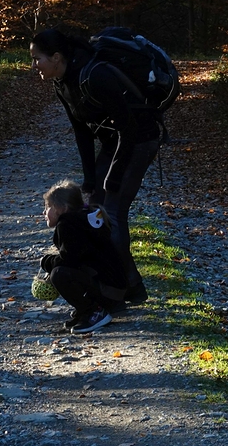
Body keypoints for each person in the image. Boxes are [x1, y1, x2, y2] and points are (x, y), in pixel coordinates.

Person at [30, 28, 160, 305]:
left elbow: (129, 129)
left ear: (56, 57)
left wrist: (113, 176)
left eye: (37, 58)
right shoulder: (62, 82)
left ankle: (125, 289)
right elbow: (82, 131)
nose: (34, 65)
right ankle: (119, 284)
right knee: (93, 211)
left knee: (111, 213)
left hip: (139, 139)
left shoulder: (96, 75)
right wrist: (90, 178)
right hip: (115, 141)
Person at [40, 180, 126, 334]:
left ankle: (94, 312)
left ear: (62, 208)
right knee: (62, 270)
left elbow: (69, 259)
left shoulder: (68, 224)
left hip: (108, 291)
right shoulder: (86, 218)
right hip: (116, 291)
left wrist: (47, 262)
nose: (44, 213)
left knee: (59, 274)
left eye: (47, 207)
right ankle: (86, 310)